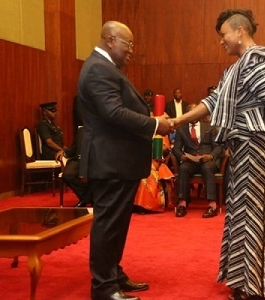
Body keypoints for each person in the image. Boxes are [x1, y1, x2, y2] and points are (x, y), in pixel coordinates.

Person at [171, 9, 265, 300]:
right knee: (239, 210)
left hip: (257, 142)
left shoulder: (256, 61)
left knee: (254, 211)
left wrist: (246, 119)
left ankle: (259, 286)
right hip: (243, 142)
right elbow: (213, 101)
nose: (221, 41)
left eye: (223, 35)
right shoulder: (237, 67)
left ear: (239, 31)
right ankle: (243, 278)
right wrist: (177, 121)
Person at [77, 21, 172, 300]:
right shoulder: (97, 69)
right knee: (108, 224)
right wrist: (154, 124)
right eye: (127, 44)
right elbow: (113, 113)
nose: (132, 50)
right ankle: (103, 288)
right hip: (110, 161)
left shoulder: (109, 69)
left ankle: (113, 275)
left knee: (117, 224)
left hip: (119, 161)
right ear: (109, 40)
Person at [172, 103, 224, 218]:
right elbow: (176, 149)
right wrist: (182, 156)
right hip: (190, 160)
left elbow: (219, 146)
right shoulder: (182, 129)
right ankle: (182, 204)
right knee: (183, 167)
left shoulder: (209, 126)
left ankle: (212, 205)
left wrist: (211, 156)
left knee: (207, 168)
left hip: (207, 160)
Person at [134, 135, 174, 213]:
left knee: (147, 176)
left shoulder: (161, 134)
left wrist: (157, 148)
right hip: (138, 161)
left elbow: (166, 150)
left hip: (156, 162)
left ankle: (146, 205)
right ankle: (134, 204)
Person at [55, 126, 92, 207]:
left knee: (93, 174)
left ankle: (85, 200)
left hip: (94, 161)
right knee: (67, 175)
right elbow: (74, 148)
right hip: (79, 159)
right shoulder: (81, 130)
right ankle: (87, 198)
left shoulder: (103, 129)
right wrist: (64, 152)